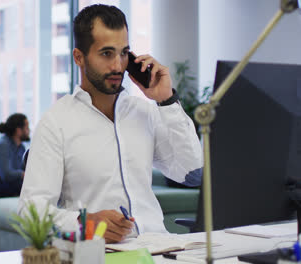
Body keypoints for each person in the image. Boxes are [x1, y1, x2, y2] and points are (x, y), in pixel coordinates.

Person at [18, 4, 203, 243]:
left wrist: (167, 101)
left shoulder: (145, 112)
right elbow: (30, 212)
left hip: (160, 247)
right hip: (99, 251)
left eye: (124, 53)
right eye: (106, 53)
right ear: (79, 57)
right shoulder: (56, 122)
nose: (118, 65)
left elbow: (191, 173)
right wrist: (84, 222)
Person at [0, 113, 30, 197]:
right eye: (27, 128)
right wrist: (23, 174)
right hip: (1, 189)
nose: (29, 131)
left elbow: (24, 169)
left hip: (13, 187)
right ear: (18, 130)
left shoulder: (21, 147)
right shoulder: (2, 145)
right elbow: (5, 174)